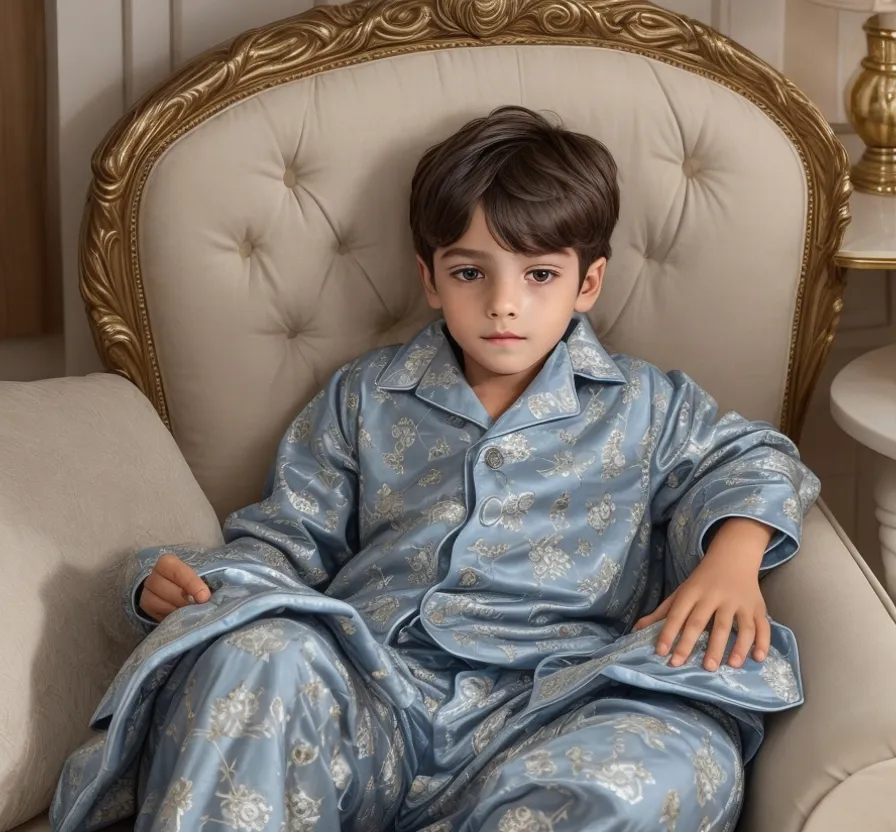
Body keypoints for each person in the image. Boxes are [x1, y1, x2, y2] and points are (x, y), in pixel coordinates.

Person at [52, 106, 818, 832]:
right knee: (255, 651)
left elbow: (756, 456)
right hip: (378, 695)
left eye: (539, 275)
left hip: (562, 706)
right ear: (430, 278)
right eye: (470, 273)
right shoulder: (364, 397)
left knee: (677, 763)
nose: (504, 305)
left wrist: (735, 557)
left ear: (588, 283)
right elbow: (285, 542)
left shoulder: (651, 406)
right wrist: (175, 581)